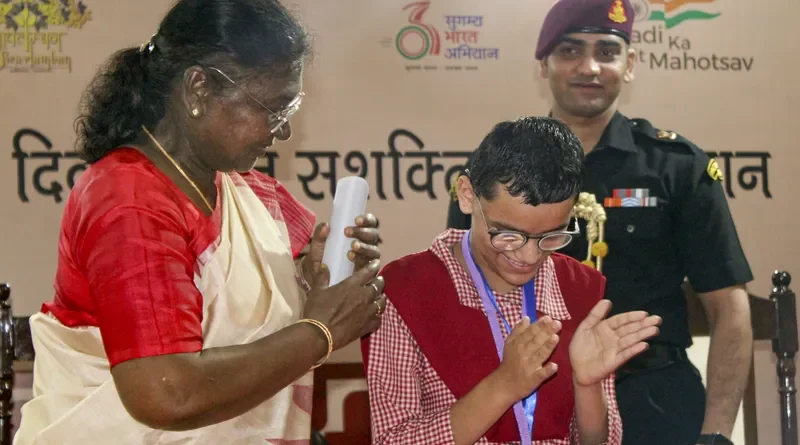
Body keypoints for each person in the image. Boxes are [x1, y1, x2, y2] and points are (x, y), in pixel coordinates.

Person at [14, 1, 388, 444]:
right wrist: (320, 333)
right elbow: (166, 394)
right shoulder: (127, 201)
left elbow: (267, 318)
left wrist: (315, 279)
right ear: (198, 90)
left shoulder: (250, 192)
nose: (282, 131)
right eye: (273, 108)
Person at [445, 1, 754, 444]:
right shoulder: (491, 170)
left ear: (630, 64)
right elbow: (458, 297)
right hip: (525, 401)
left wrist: (717, 434)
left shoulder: (676, 166)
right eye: (570, 50)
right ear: (543, 64)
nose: (589, 67)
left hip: (654, 401)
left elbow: (729, 307)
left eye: (607, 52)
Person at [362, 116, 663, 445]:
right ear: (467, 196)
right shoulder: (404, 291)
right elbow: (393, 440)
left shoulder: (580, 289)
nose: (529, 256)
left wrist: (587, 385)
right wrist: (504, 385)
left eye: (551, 236)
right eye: (507, 235)